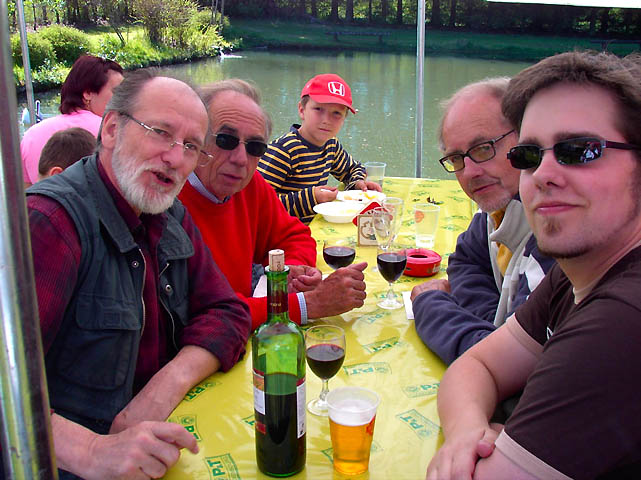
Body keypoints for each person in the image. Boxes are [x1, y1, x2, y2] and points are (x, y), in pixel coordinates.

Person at [426, 50, 641, 480]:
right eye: (528, 155)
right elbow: (476, 366)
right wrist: (468, 431)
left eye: (579, 150)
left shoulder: (623, 319)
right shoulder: (576, 273)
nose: (543, 174)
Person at [26, 69, 250, 479]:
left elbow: (228, 312)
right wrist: (91, 450)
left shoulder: (169, 215)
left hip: (162, 445)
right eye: (160, 133)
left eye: (191, 146)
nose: (175, 158)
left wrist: (162, 388)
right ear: (112, 129)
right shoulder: (52, 222)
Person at [178, 79, 368, 330]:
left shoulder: (247, 184)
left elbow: (295, 235)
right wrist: (307, 304)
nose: (241, 159)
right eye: (225, 140)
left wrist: (287, 272)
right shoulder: (167, 205)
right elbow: (200, 317)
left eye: (255, 147)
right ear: (193, 140)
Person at [410, 78, 554, 365]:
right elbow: (465, 261)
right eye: (456, 158)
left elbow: (507, 366)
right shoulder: (497, 209)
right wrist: (494, 321)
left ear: (527, 139)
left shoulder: (556, 235)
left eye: (484, 148)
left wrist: (429, 303)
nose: (470, 172)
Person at [257, 73, 382, 224]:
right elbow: (256, 204)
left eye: (336, 113)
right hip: (280, 233)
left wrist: (357, 184)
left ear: (344, 119)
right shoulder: (284, 150)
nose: (326, 120)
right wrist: (312, 198)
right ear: (302, 110)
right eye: (318, 109)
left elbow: (352, 169)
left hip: (313, 227)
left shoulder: (331, 145)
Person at [21, 55, 124, 186]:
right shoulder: (110, 131)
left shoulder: (31, 135)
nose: (124, 100)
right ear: (88, 93)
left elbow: (26, 193)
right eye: (117, 93)